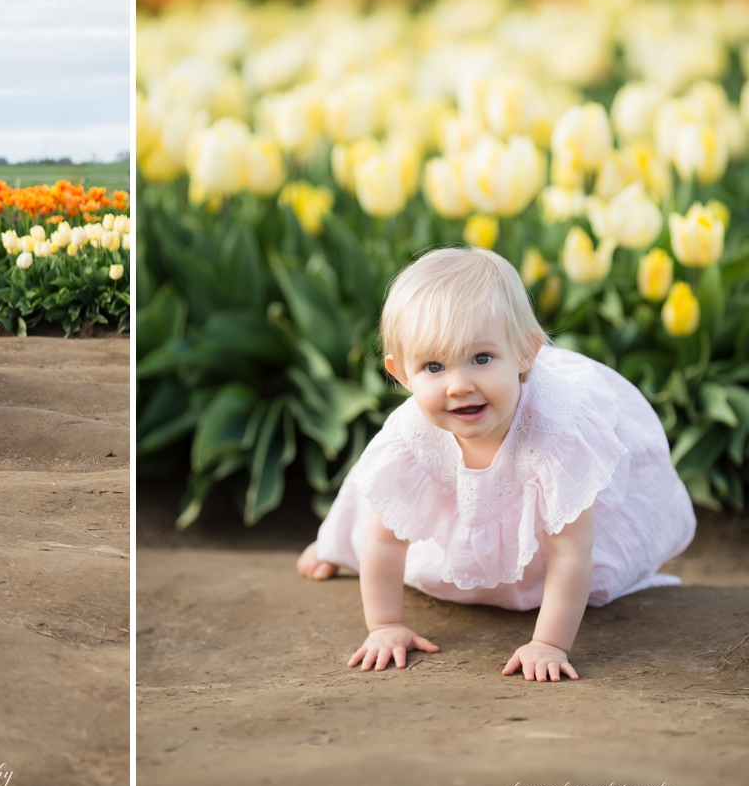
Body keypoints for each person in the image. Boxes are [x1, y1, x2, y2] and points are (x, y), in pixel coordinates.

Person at [297, 246, 694, 680]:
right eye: (434, 366)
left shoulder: (559, 434)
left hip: (546, 490)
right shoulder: (412, 433)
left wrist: (548, 644)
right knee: (377, 509)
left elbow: (570, 553)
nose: (459, 385)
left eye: (481, 358)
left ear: (526, 354)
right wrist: (386, 625)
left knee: (577, 567)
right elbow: (386, 539)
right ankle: (334, 543)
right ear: (402, 374)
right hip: (456, 490)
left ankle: (538, 598)